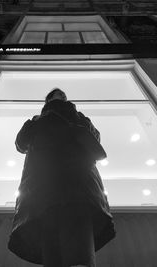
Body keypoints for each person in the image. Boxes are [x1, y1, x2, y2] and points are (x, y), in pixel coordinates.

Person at [7, 88, 116, 267]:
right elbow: (21, 143)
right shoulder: (80, 120)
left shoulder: (40, 121)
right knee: (79, 252)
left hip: (45, 191)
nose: (59, 100)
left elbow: (21, 143)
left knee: (55, 252)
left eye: (61, 98)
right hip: (79, 189)